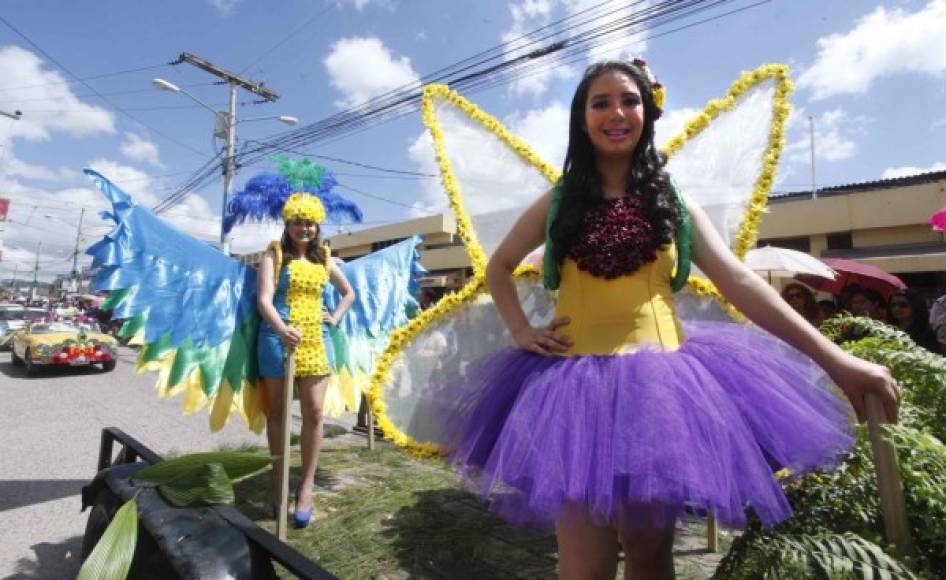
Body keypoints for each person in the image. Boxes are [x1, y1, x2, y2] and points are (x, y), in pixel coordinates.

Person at [446, 61, 900, 579]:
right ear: (581, 116)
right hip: (572, 400)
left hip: (658, 397)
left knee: (650, 558)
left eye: (630, 100)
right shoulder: (558, 200)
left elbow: (741, 283)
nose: (617, 112)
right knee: (583, 567)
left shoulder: (672, 198)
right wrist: (521, 330)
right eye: (601, 102)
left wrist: (837, 360)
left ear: (647, 111)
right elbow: (499, 267)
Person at [257, 192, 355, 528]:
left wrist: (336, 317)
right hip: (276, 340)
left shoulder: (324, 258)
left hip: (316, 339)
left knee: (314, 412)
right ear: (288, 223)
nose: (304, 228)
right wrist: (283, 330)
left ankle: (306, 487)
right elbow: (264, 301)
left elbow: (349, 293)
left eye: (310, 222)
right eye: (298, 222)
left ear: (317, 225)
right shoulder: (274, 254)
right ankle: (277, 482)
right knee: (278, 414)